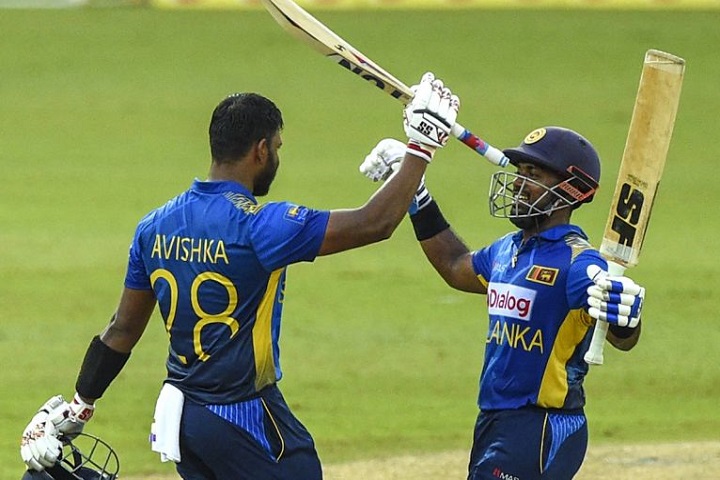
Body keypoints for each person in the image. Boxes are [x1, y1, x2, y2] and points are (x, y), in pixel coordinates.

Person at [20, 72, 460, 480]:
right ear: (261, 150)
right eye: (278, 147)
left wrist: (80, 405)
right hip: (244, 416)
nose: (277, 157)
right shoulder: (260, 226)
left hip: (184, 418)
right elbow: (374, 223)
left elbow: (121, 329)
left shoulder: (154, 227)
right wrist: (420, 149)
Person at [359, 126, 645, 479]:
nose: (519, 183)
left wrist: (624, 317)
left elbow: (621, 337)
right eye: (520, 172)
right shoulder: (508, 250)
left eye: (533, 175)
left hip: (542, 426)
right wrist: (416, 192)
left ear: (569, 190)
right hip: (495, 420)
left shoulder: (579, 263)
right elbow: (454, 265)